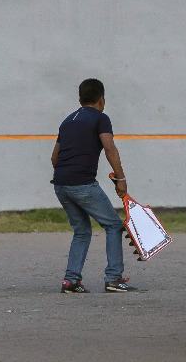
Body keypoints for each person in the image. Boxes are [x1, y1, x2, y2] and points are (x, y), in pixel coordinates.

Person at [51, 78, 139, 293]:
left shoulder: (67, 121)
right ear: (102, 100)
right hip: (83, 184)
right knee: (113, 226)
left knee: (81, 231)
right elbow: (110, 148)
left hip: (61, 184)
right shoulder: (101, 118)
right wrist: (121, 179)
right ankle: (114, 279)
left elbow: (55, 157)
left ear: (80, 99)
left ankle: (71, 281)